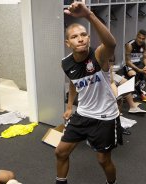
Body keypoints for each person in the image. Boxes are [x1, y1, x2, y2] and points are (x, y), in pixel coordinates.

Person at [55, 2, 120, 184]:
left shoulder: (99, 55)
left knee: (103, 160)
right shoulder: (66, 63)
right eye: (75, 37)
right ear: (68, 43)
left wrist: (88, 15)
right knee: (60, 152)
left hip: (105, 116)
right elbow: (74, 84)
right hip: (83, 114)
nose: (80, 39)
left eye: (84, 35)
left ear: (89, 38)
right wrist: (69, 107)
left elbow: (111, 43)